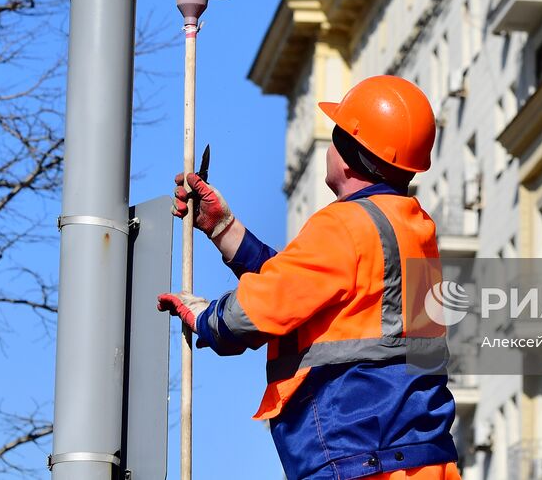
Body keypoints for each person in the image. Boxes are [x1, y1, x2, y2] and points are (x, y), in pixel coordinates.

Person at [158, 75, 460, 480]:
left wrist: (207, 317)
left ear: (350, 151)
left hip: (358, 455)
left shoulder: (345, 225)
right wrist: (223, 228)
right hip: (419, 461)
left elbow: (255, 311)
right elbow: (303, 289)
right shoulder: (412, 230)